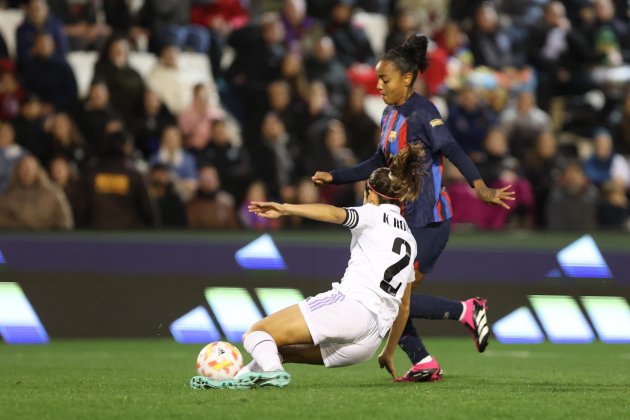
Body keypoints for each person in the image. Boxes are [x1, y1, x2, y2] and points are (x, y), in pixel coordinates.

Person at [311, 33, 515, 382]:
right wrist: (336, 176)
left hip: (430, 222)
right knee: (391, 299)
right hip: (403, 222)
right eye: (377, 78)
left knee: (390, 299)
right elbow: (379, 160)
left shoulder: (423, 113)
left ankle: (457, 319)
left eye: (384, 79)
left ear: (407, 78)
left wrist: (479, 187)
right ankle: (434, 347)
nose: (377, 85)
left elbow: (452, 149)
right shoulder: (389, 115)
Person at [190, 144, 424, 390]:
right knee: (281, 350)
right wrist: (388, 351)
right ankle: (234, 381)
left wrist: (285, 208)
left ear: (371, 195)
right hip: (369, 342)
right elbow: (404, 307)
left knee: (257, 333)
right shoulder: (410, 239)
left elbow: (334, 214)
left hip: (351, 310)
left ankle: (273, 373)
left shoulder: (372, 214)